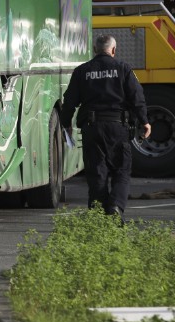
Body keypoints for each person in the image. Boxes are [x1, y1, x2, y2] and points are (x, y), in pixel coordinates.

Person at [60, 34, 151, 221]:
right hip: (118, 127)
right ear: (114, 50)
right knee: (122, 170)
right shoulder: (123, 69)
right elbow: (136, 97)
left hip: (91, 128)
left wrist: (66, 124)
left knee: (96, 172)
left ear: (95, 50)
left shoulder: (81, 71)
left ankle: (99, 217)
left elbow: (69, 101)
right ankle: (116, 206)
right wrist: (144, 121)